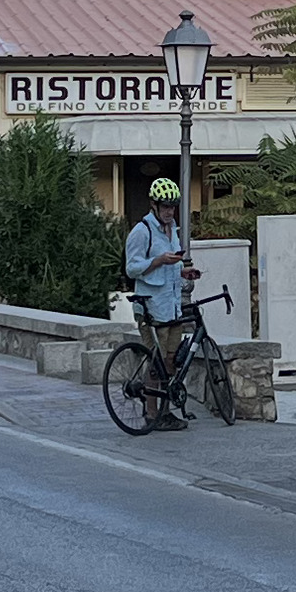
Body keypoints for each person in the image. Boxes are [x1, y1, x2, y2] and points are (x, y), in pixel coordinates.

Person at [121, 178, 193, 433]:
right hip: (151, 308)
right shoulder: (142, 231)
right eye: (165, 206)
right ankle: (153, 414)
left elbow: (173, 266)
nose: (169, 211)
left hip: (172, 307)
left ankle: (164, 410)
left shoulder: (173, 229)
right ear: (153, 204)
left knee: (170, 360)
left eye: (173, 207)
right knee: (156, 361)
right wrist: (158, 261)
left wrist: (185, 272)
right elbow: (132, 268)